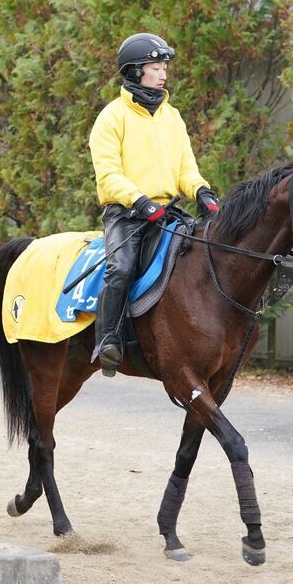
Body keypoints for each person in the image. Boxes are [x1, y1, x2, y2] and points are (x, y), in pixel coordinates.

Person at [89, 32, 220, 375]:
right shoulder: (111, 118)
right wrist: (140, 201)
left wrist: (202, 191)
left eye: (164, 68)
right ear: (134, 72)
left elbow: (186, 169)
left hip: (167, 212)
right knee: (121, 268)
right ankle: (108, 341)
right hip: (127, 215)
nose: (163, 74)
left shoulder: (172, 117)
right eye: (156, 67)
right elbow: (108, 176)